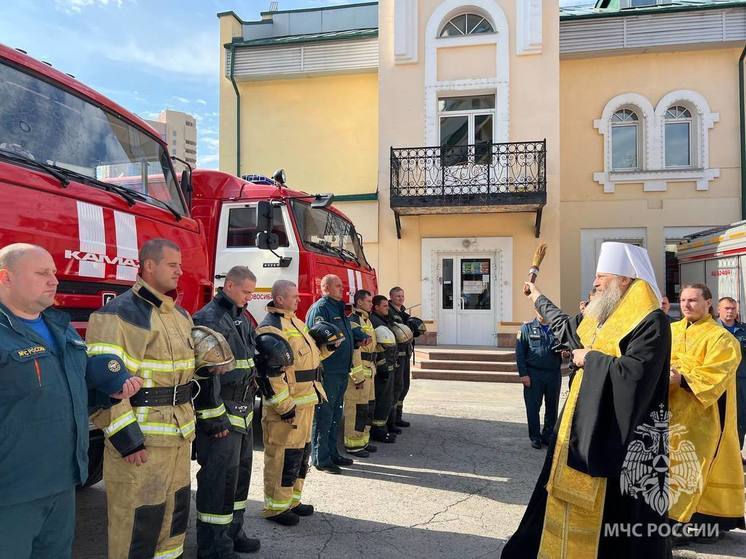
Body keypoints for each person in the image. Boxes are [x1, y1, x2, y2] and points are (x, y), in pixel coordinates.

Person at [503, 242, 671, 559]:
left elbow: (634, 376)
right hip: (578, 426)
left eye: (602, 276)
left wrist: (590, 359)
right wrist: (537, 295)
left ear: (626, 279)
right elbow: (566, 326)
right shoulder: (602, 317)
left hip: (620, 440)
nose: (595, 283)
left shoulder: (652, 322)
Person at [0, 243, 141, 559]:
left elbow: (68, 393)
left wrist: (108, 395)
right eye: (42, 273)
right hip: (11, 492)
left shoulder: (63, 330)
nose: (54, 280)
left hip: (63, 483)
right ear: (5, 277)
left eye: (53, 272)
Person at [86, 238, 197, 559]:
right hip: (142, 445)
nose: (179, 272)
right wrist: (127, 440)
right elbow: (104, 383)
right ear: (149, 266)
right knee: (136, 526)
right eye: (172, 265)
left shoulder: (181, 316)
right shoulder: (119, 314)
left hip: (177, 440)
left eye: (180, 265)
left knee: (172, 521)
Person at [192, 266, 261, 557]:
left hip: (242, 413)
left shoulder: (240, 317)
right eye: (246, 292)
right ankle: (213, 547)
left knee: (238, 478)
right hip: (222, 417)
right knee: (218, 481)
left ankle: (233, 533)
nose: (249, 297)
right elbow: (204, 376)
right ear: (229, 285)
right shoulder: (210, 319)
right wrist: (213, 419)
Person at [668, 285, 745, 535]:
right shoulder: (670, 331)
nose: (687, 305)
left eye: (693, 300)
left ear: (708, 303)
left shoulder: (722, 338)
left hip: (705, 415)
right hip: (670, 414)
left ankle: (699, 525)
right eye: (683, 300)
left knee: (699, 467)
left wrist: (681, 377)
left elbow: (715, 373)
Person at [255, 280, 331, 525]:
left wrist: (327, 347)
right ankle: (276, 508)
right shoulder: (271, 328)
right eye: (294, 297)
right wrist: (284, 406)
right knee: (281, 457)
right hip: (287, 408)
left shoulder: (296, 323)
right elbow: (271, 374)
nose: (299, 300)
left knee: (299, 455)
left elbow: (310, 359)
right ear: (279, 299)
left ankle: (292, 501)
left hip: (305, 402)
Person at [307, 275, 356, 473]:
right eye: (337, 285)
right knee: (324, 414)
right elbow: (317, 336)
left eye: (342, 285)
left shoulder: (339, 308)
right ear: (325, 288)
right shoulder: (321, 308)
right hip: (329, 371)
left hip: (342, 370)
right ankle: (320, 457)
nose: (341, 288)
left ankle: (333, 453)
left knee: (336, 413)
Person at [515, 310, 562, 449]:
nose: (542, 313)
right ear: (535, 311)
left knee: (552, 407)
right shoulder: (527, 328)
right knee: (533, 407)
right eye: (539, 310)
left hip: (553, 373)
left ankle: (548, 436)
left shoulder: (557, 328)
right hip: (533, 374)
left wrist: (565, 353)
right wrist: (523, 374)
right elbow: (520, 353)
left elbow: (565, 349)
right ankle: (535, 437)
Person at [344, 289, 378, 456]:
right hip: (359, 374)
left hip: (369, 371)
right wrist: (357, 377)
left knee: (367, 409)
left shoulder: (367, 320)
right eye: (369, 301)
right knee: (356, 410)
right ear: (359, 302)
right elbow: (353, 351)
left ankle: (363, 440)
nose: (372, 304)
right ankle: (353, 444)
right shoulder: (353, 321)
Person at [716, 296, 746, 463]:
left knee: (741, 418)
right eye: (726, 308)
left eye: (733, 309)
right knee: (721, 419)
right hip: (720, 383)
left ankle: (736, 454)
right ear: (718, 309)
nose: (730, 311)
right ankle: (721, 457)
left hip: (741, 381)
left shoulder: (743, 330)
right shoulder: (713, 330)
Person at [369, 295, 398, 443]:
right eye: (385, 306)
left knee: (387, 399)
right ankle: (378, 431)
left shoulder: (383, 320)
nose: (388, 308)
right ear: (377, 307)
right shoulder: (375, 322)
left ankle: (385, 427)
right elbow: (378, 347)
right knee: (382, 401)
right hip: (383, 367)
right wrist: (383, 366)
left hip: (389, 365)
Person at [388, 287, 413, 429]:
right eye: (398, 296)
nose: (401, 298)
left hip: (406, 354)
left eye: (402, 296)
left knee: (404, 386)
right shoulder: (391, 313)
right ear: (391, 297)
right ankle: (392, 420)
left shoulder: (402, 312)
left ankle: (399, 416)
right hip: (398, 356)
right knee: (397, 387)